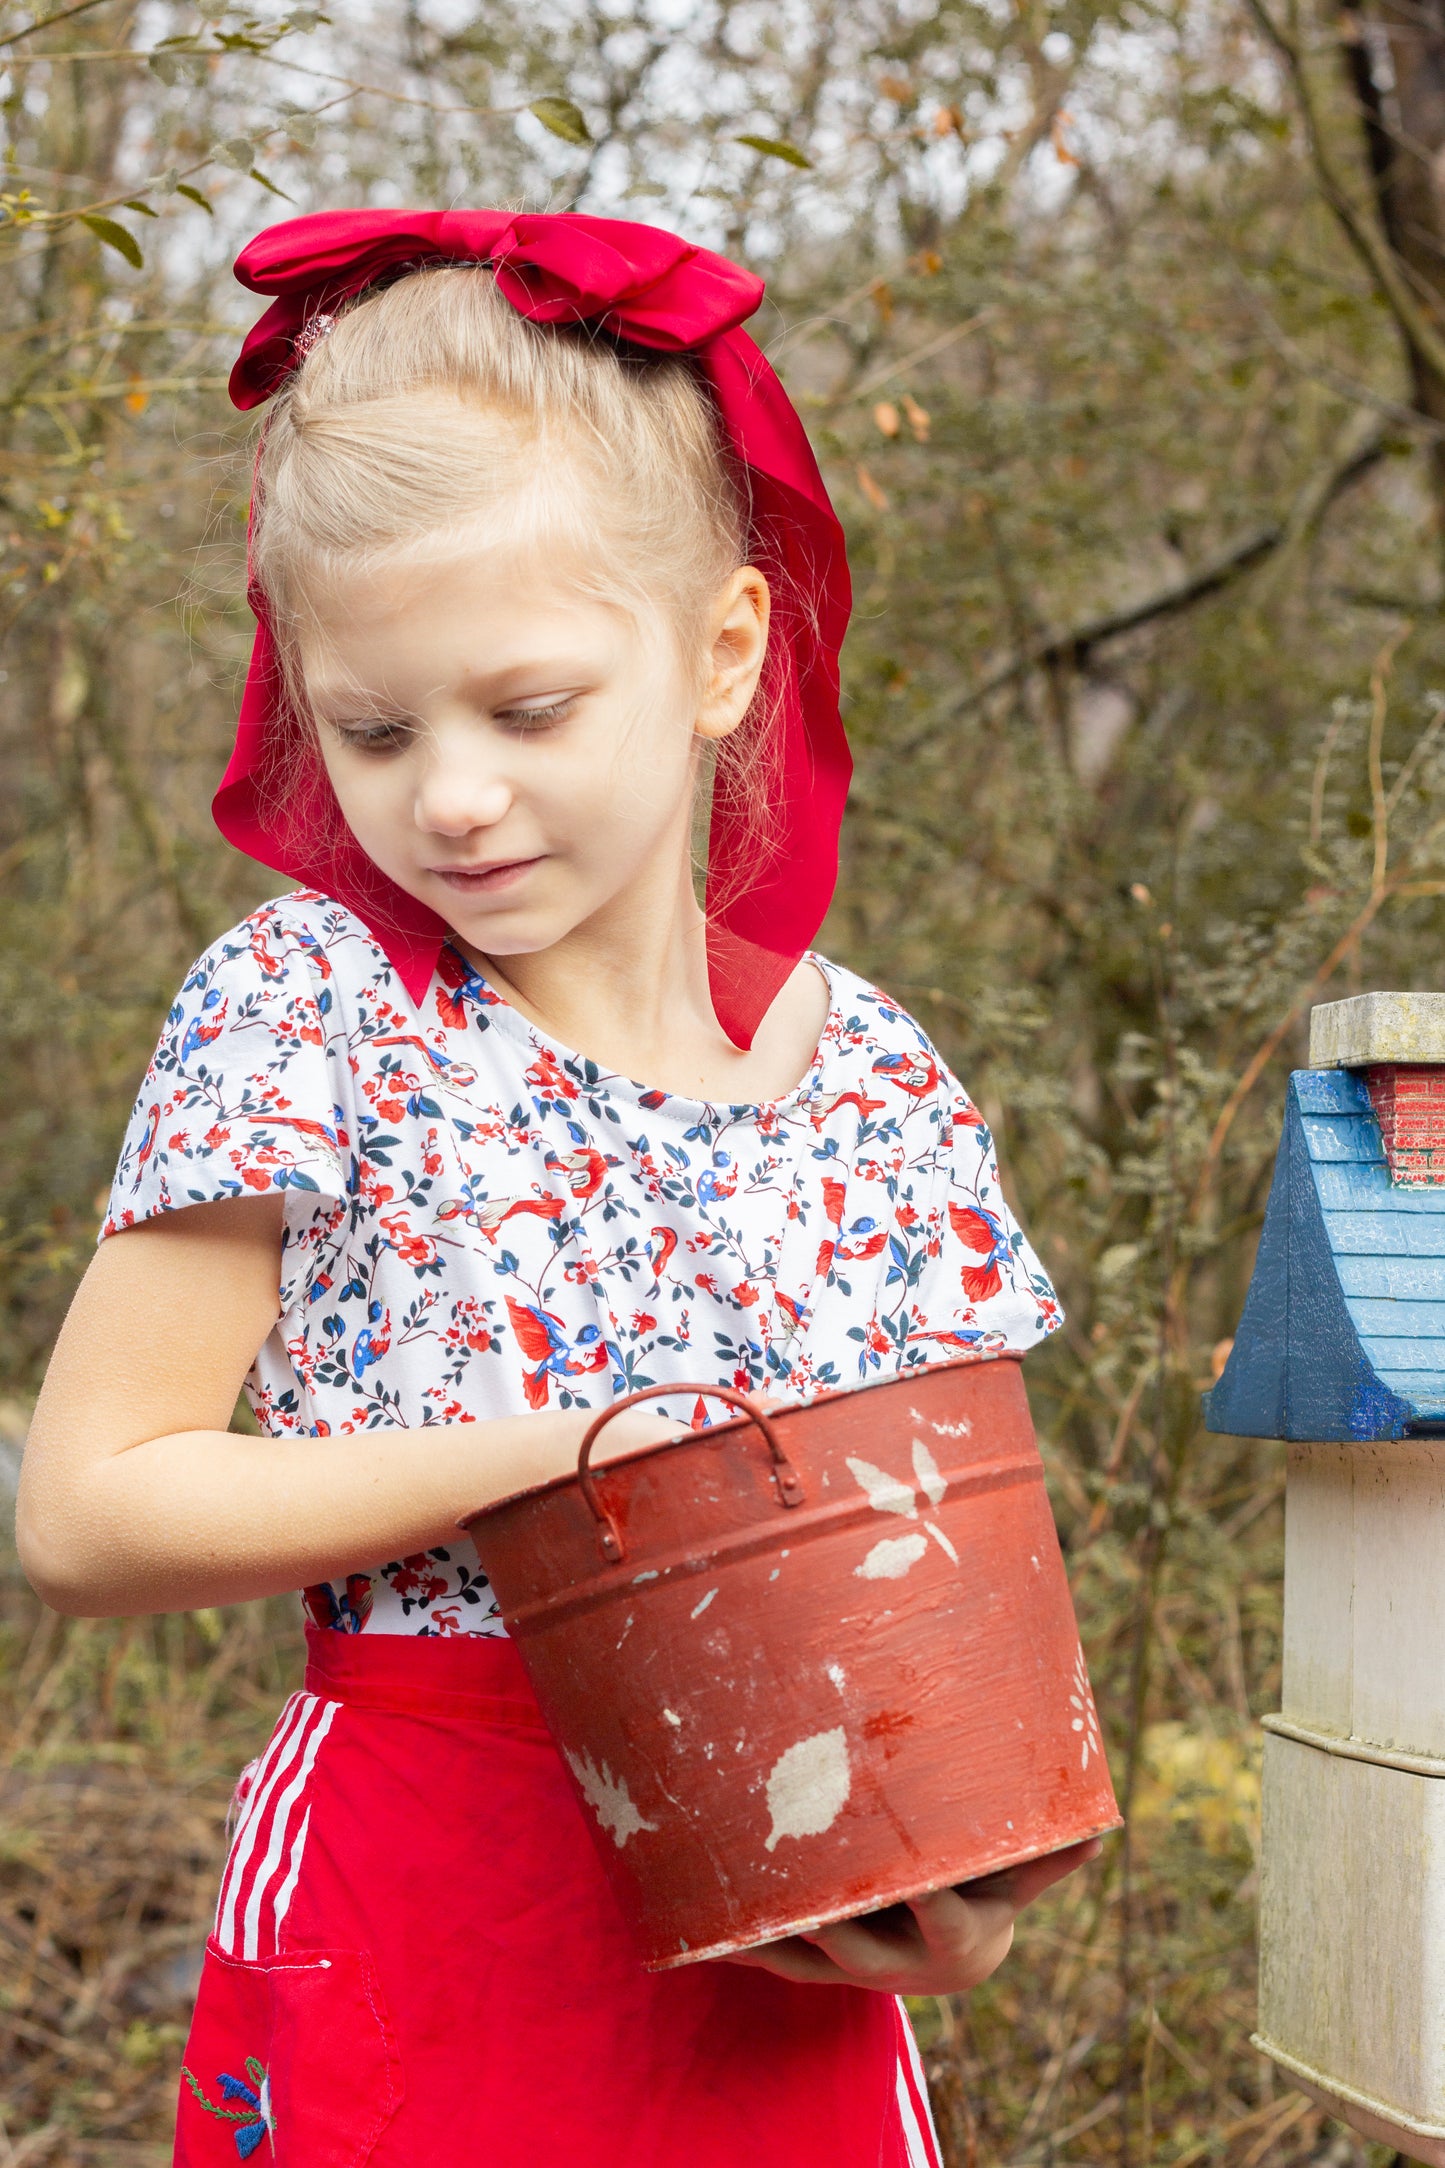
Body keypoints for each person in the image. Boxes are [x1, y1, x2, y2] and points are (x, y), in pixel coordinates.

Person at [17, 210, 1094, 2168]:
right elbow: (88, 1512)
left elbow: (952, 1607)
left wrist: (956, 1893)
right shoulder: (306, 1009)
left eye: (525, 709)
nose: (449, 796)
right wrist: (566, 1456)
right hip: (418, 1919)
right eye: (373, 726)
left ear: (720, 651)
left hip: (780, 1974)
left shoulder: (882, 1085)